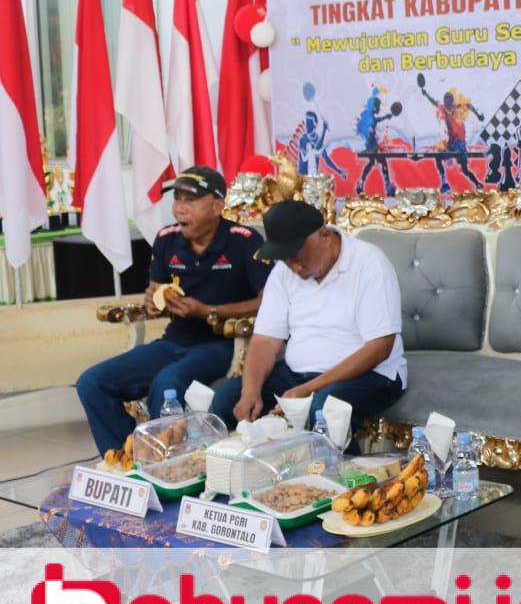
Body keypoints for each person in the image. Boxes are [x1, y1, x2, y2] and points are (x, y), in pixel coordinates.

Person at [77, 168, 269, 454]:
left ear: (217, 205)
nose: (180, 208)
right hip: (174, 341)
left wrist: (209, 311)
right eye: (177, 199)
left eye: (191, 200)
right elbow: (157, 291)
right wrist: (154, 302)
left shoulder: (243, 240)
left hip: (223, 344)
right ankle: (126, 456)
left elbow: (268, 302)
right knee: (92, 382)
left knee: (166, 382)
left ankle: (166, 463)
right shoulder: (167, 239)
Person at [209, 200, 406, 434]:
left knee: (322, 410)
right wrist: (249, 391)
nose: (294, 268)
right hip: (298, 375)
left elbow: (379, 348)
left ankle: (341, 460)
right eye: (286, 260)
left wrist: (309, 389)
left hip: (370, 375)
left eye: (299, 258)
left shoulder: (369, 263)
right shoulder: (283, 272)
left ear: (324, 236)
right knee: (225, 399)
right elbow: (265, 340)